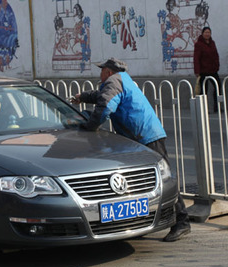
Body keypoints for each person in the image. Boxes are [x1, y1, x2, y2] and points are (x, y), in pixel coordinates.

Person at [71, 58, 191, 242]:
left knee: (163, 180)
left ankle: (181, 221)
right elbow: (100, 95)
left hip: (146, 136)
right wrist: (83, 97)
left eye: (101, 70)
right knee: (139, 180)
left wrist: (90, 126)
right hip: (141, 136)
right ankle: (141, 222)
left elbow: (105, 107)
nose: (99, 74)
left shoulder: (113, 81)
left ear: (108, 72)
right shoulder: (121, 79)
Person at [193, 26, 220, 113]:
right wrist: (197, 71)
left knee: (218, 87)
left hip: (213, 70)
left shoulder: (212, 43)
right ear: (202, 33)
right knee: (204, 91)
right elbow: (196, 58)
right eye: (206, 32)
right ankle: (203, 108)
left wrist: (217, 66)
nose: (207, 34)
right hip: (203, 71)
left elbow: (216, 55)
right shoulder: (199, 44)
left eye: (209, 32)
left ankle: (217, 107)